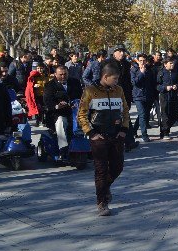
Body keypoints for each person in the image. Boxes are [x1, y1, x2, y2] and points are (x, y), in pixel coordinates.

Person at [77, 62, 131, 216]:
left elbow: (125, 111)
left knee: (117, 167)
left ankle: (104, 188)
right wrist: (91, 133)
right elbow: (81, 115)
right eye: (114, 78)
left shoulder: (119, 90)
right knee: (101, 171)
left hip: (116, 135)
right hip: (98, 137)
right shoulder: (90, 91)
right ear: (105, 77)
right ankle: (102, 202)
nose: (116, 81)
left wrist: (124, 130)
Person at [43, 66, 83, 156]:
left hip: (75, 111)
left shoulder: (75, 82)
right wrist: (57, 106)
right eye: (60, 74)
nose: (63, 76)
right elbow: (47, 101)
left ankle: (89, 147)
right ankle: (63, 148)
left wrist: (78, 103)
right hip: (58, 113)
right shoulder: (49, 85)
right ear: (55, 75)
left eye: (65, 74)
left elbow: (82, 96)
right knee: (61, 121)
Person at [130, 54, 154, 143]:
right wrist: (141, 72)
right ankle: (144, 135)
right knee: (142, 114)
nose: (142, 62)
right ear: (137, 61)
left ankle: (133, 130)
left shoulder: (149, 70)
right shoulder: (133, 70)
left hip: (148, 95)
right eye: (140, 60)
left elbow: (152, 83)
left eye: (144, 60)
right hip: (138, 96)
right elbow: (134, 82)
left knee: (142, 115)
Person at [156, 58, 178, 140]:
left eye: (173, 63)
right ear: (165, 64)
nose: (172, 65)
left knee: (174, 114)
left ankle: (167, 128)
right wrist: (165, 88)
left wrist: (176, 86)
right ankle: (164, 132)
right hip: (164, 96)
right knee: (165, 113)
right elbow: (157, 86)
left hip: (174, 96)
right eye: (170, 63)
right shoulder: (161, 73)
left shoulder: (175, 73)